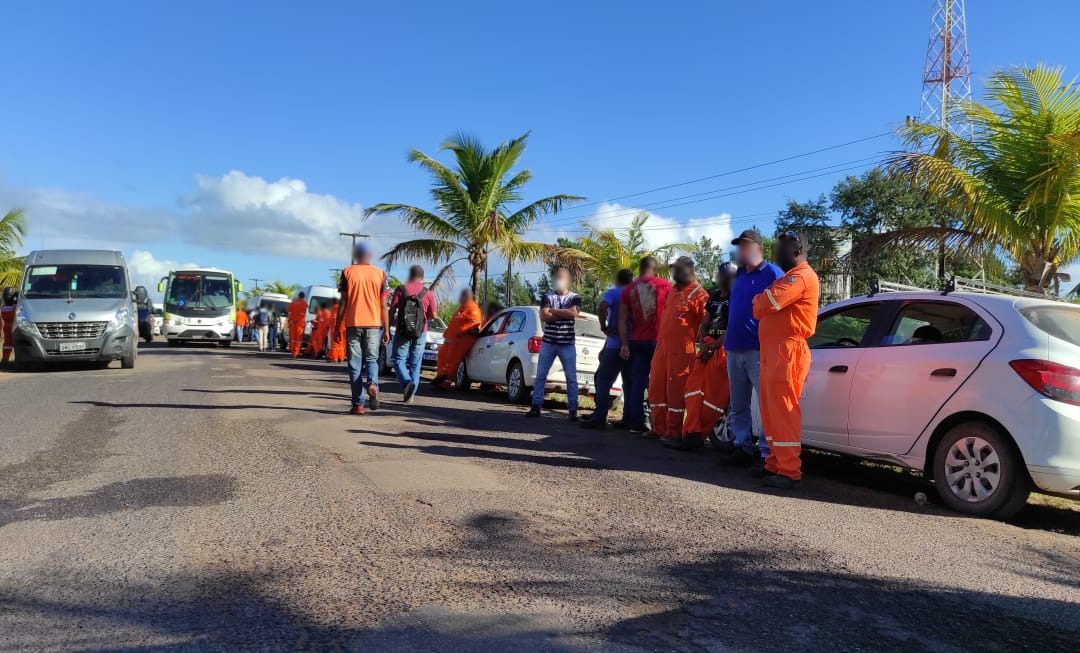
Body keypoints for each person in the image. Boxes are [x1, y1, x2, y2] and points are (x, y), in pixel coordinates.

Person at [752, 231, 820, 489]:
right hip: (773, 351)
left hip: (788, 351)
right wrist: (761, 302)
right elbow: (761, 307)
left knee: (784, 411)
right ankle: (773, 463)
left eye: (780, 248)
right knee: (770, 411)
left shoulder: (801, 276)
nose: (775, 252)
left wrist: (761, 301)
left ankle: (789, 471)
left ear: (797, 249)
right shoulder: (789, 277)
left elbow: (767, 301)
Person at [721, 229, 784, 468]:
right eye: (739, 246)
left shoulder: (772, 272)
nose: (741, 250)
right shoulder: (739, 277)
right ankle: (742, 446)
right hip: (734, 347)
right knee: (738, 403)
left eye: (745, 245)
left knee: (765, 404)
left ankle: (767, 453)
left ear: (758, 248)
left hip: (758, 349)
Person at [678, 261, 738, 450]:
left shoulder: (737, 298)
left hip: (722, 350)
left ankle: (700, 435)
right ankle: (691, 433)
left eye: (728, 274)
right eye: (722, 274)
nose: (724, 278)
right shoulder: (714, 297)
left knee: (713, 397)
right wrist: (703, 343)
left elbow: (732, 327)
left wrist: (712, 348)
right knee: (693, 390)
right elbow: (705, 322)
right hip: (707, 348)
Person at [648, 256, 708, 445]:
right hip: (662, 348)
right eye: (674, 269)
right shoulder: (673, 291)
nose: (674, 272)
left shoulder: (700, 294)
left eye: (678, 269)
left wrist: (705, 343)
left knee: (675, 391)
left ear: (690, 269)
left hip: (682, 351)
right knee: (656, 386)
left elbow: (708, 321)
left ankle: (674, 432)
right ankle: (658, 429)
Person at [618, 256, 672, 434]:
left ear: (640, 269)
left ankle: (636, 423)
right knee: (659, 383)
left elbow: (622, 320)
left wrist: (624, 344)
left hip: (637, 341)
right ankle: (660, 424)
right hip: (659, 341)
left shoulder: (629, 289)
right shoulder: (665, 286)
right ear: (654, 269)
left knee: (637, 384)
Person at [338, 243, 391, 414]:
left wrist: (337, 324)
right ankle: (373, 384)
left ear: (355, 255)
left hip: (353, 323)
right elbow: (384, 305)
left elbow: (343, 302)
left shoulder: (347, 272)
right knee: (371, 360)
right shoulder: (380, 274)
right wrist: (387, 329)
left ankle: (358, 405)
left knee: (355, 364)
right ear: (369, 256)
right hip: (374, 324)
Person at [581, 268, 634, 430]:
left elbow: (603, 307)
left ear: (618, 280)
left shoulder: (613, 293)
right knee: (629, 383)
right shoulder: (637, 296)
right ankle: (628, 418)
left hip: (616, 343)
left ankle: (600, 416)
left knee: (602, 379)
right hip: (634, 344)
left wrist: (603, 326)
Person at [526, 267, 582, 420]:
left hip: (567, 343)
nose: (559, 280)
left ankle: (573, 410)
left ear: (568, 280)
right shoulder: (547, 296)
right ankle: (536, 406)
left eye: (562, 277)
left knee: (571, 377)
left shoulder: (575, 297)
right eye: (557, 277)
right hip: (549, 342)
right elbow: (544, 316)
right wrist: (564, 314)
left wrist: (553, 310)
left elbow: (574, 313)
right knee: (541, 375)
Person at [389, 265, 438, 403]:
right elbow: (433, 315)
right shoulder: (428, 293)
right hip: (420, 332)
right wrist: (423, 318)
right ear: (422, 277)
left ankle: (406, 382)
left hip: (402, 330)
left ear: (410, 275)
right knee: (415, 363)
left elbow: (392, 310)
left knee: (399, 360)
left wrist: (387, 327)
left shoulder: (401, 289)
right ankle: (411, 395)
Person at [432, 288, 483, 389]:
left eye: (463, 296)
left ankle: (445, 381)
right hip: (450, 340)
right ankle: (440, 377)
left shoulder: (473, 309)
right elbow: (454, 322)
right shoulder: (462, 308)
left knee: (452, 362)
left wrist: (461, 332)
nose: (460, 298)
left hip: (459, 341)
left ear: (467, 297)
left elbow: (475, 324)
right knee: (442, 358)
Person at [288, 292, 308, 357]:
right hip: (300, 323)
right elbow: (305, 313)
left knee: (293, 339)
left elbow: (289, 313)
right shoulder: (304, 303)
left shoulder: (293, 303)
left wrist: (290, 320)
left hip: (293, 322)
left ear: (299, 296)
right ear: (303, 296)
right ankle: (296, 353)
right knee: (298, 339)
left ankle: (293, 351)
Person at [2, 288, 16, 364]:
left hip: (6, 328)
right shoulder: (15, 307)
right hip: (14, 327)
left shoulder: (3, 308)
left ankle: (5, 360)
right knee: (16, 344)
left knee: (7, 344)